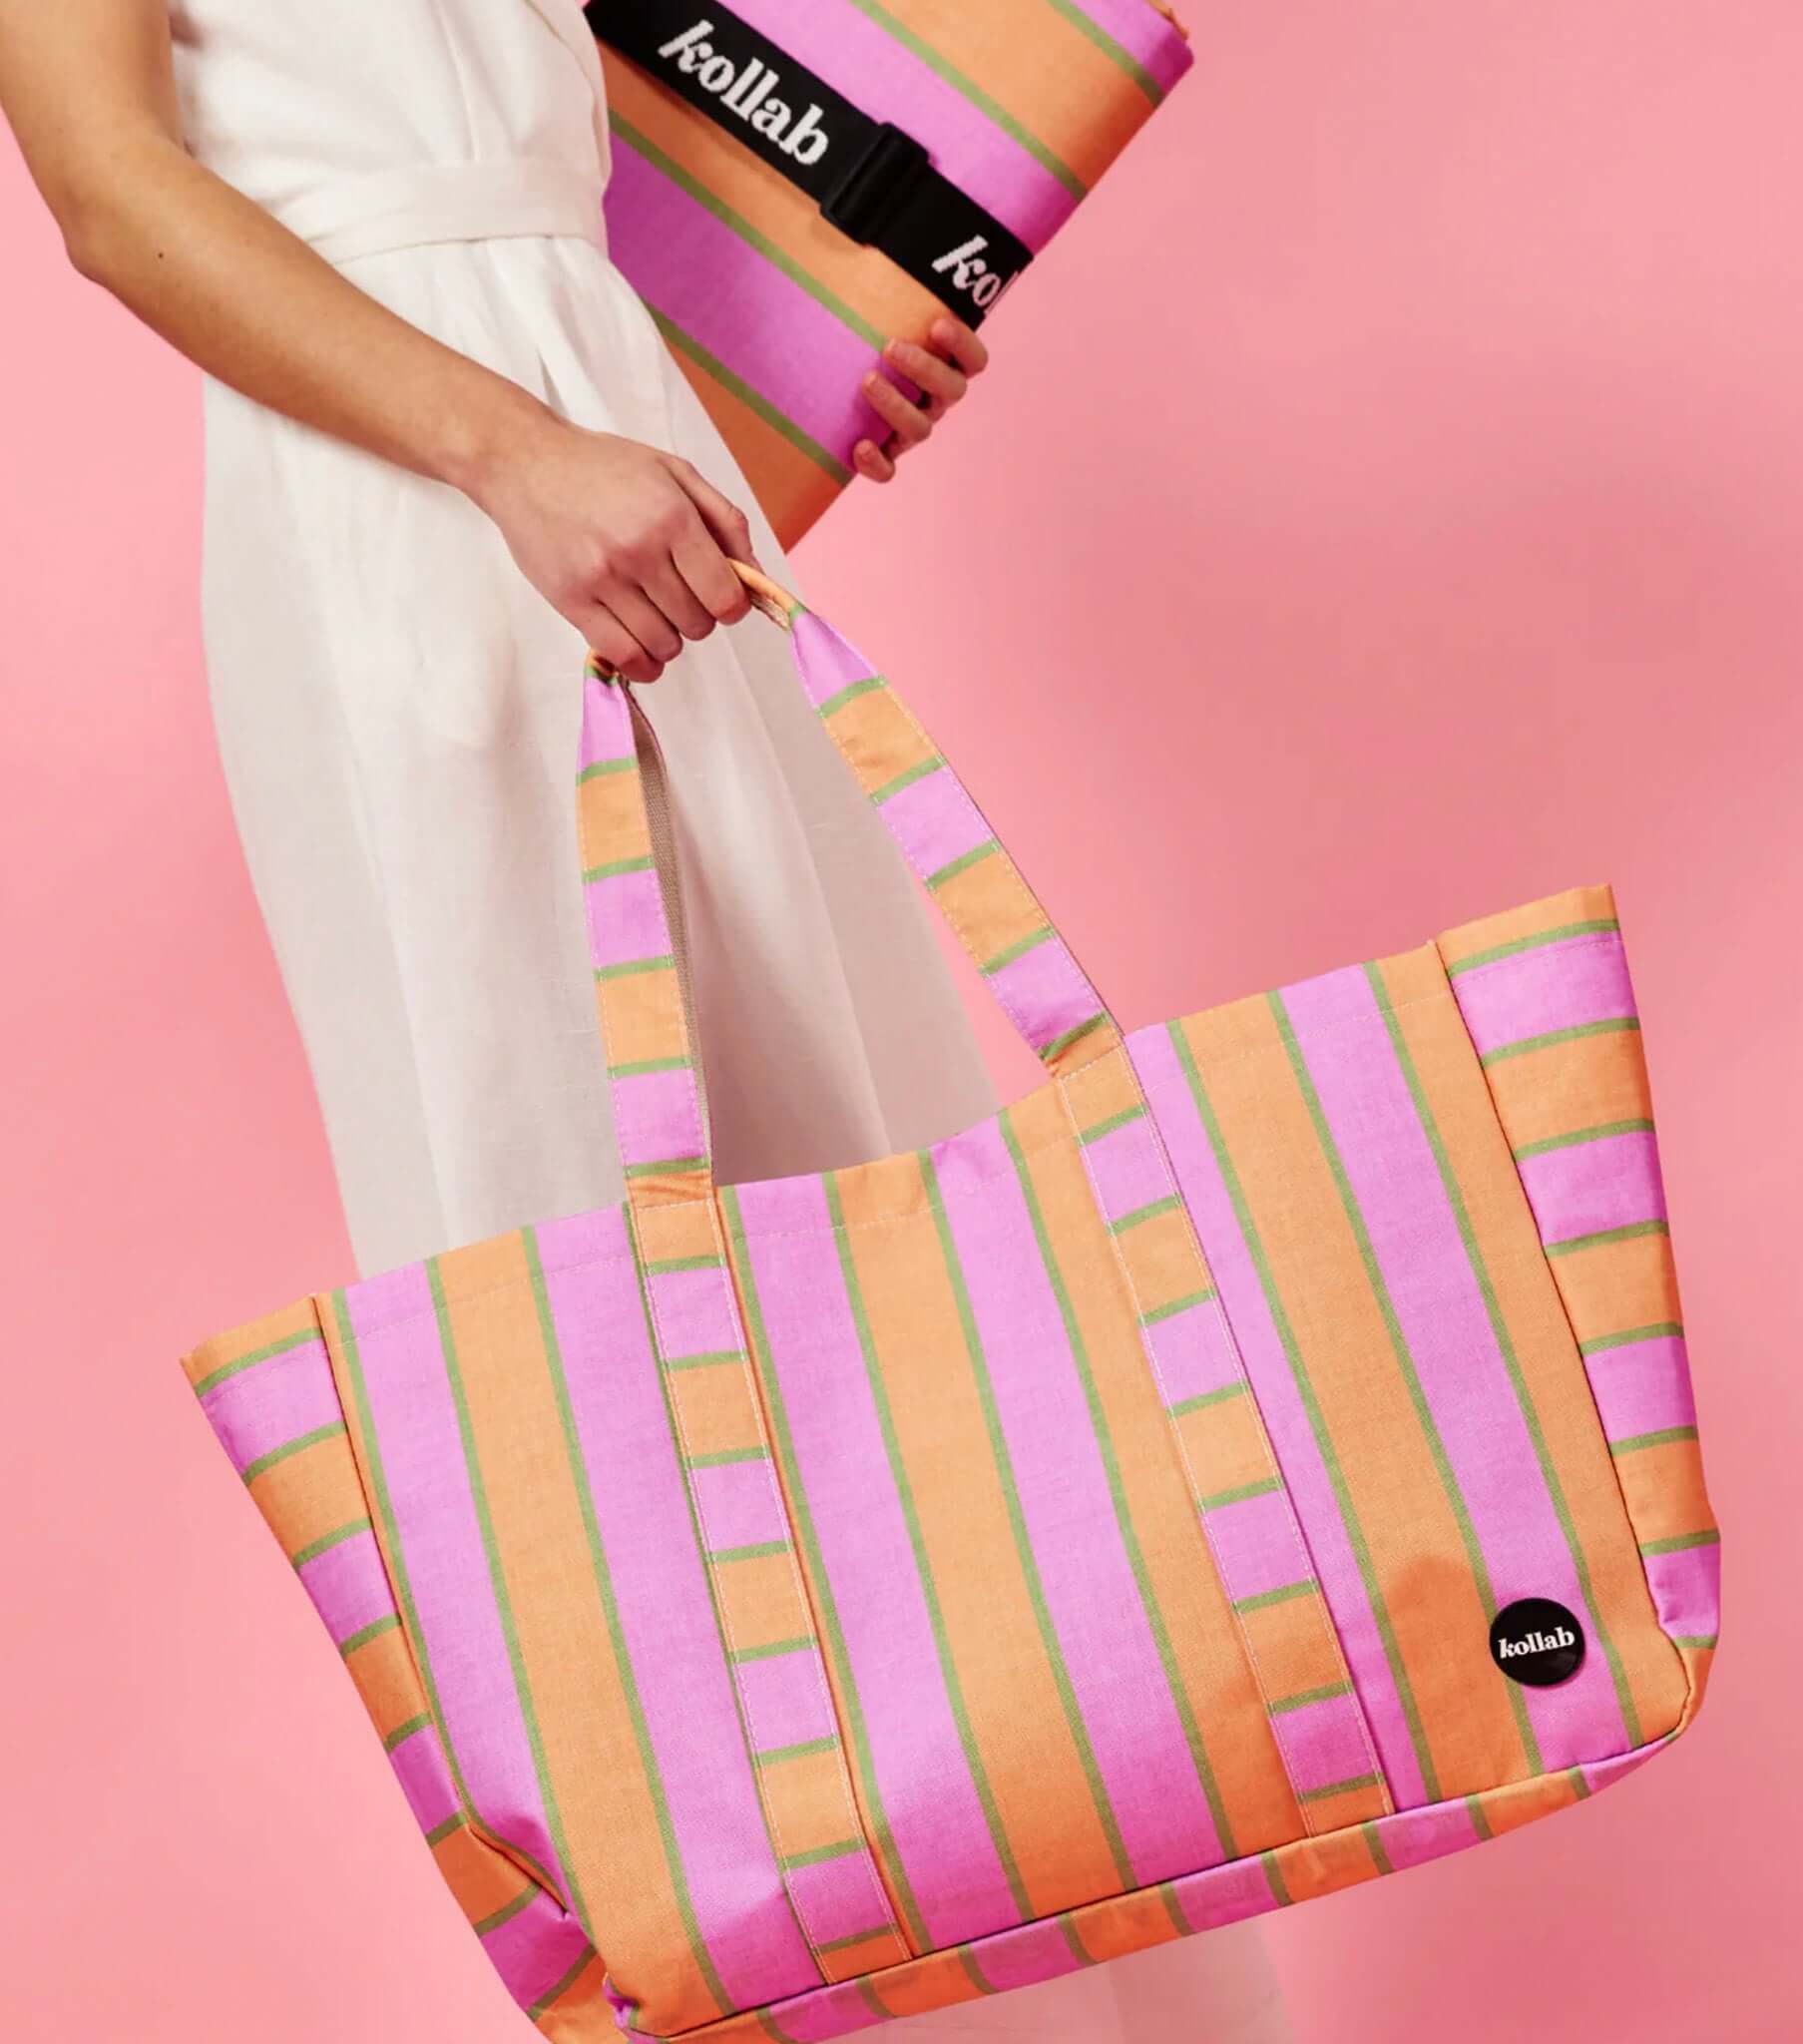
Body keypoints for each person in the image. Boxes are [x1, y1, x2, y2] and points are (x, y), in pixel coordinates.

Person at [0, 4, 1292, 2039]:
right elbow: (111, 189)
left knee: (873, 1231)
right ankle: (805, 1961)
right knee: (601, 1292)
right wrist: (524, 452)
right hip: (415, 527)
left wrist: (785, 373)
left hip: (592, 456)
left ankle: (1033, 1940)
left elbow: (533, 204)